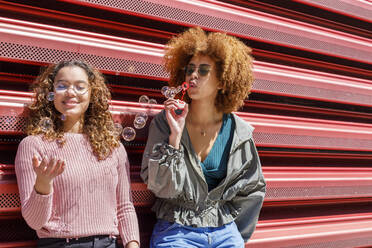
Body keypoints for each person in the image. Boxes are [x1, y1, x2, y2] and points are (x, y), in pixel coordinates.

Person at [141, 27, 266, 248]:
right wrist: (175, 137)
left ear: (223, 81)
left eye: (204, 70)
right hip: (177, 229)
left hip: (225, 231)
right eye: (190, 69)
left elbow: (252, 189)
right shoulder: (166, 121)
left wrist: (235, 232)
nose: (193, 75)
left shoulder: (239, 132)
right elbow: (160, 186)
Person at [15, 60, 140, 248]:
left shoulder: (113, 147)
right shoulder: (33, 146)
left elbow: (124, 206)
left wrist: (133, 244)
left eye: (80, 87)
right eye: (62, 86)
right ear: (51, 93)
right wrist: (42, 185)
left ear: (92, 94)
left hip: (108, 244)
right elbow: (35, 222)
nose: (70, 92)